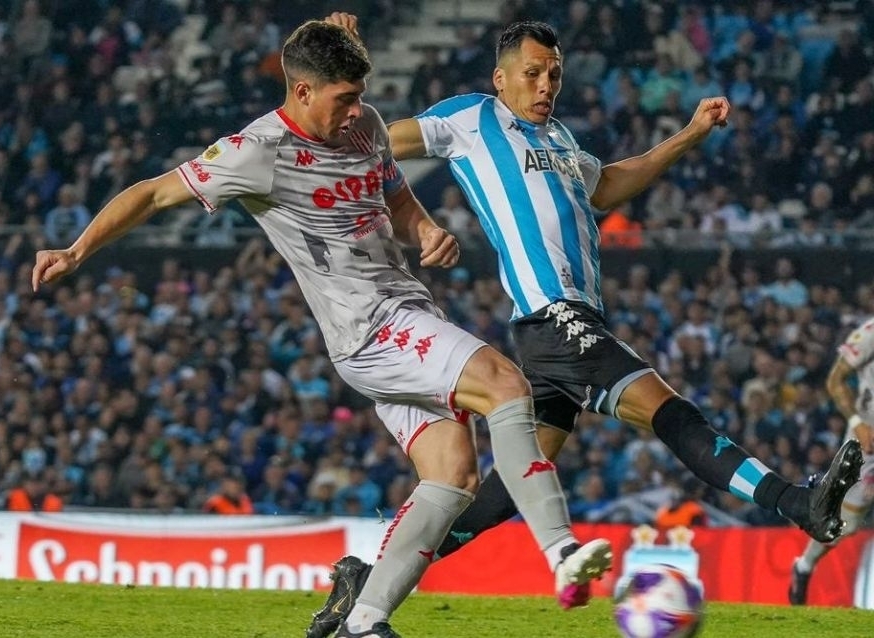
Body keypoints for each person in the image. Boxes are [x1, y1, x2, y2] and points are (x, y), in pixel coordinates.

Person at [31, 19, 609, 638]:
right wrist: (76, 250)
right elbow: (151, 195)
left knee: (453, 474)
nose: (357, 110)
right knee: (506, 385)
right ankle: (561, 552)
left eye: (360, 95)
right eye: (344, 98)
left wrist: (424, 230)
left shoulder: (367, 125)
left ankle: (364, 619)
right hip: (369, 328)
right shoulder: (256, 152)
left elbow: (395, 196)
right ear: (302, 91)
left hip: (408, 312)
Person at [307, 16, 863, 638]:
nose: (546, 85)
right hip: (553, 318)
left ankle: (367, 580)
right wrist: (342, 61)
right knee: (671, 413)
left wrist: (690, 134)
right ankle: (796, 502)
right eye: (532, 73)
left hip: (569, 325)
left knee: (499, 495)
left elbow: (608, 187)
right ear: (500, 78)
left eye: (555, 74)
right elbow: (377, 135)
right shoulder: (470, 118)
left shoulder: (563, 141)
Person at [789, 316, 874, 605]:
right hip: (868, 437)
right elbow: (835, 379)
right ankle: (804, 566)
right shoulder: (870, 334)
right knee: (845, 524)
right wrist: (857, 423)